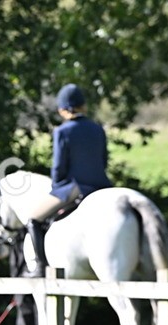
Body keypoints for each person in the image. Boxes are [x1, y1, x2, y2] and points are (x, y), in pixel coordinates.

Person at [25, 83, 112, 270]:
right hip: (103, 186)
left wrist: (56, 187)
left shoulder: (62, 131)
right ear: (83, 105)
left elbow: (58, 167)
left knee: (33, 218)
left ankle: (41, 268)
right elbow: (104, 162)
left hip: (75, 187)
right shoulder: (98, 129)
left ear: (63, 109)